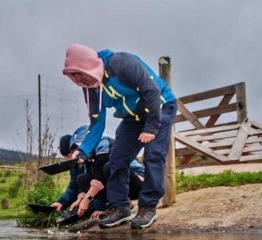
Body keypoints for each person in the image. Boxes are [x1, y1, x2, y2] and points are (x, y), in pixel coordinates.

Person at [62, 43, 177, 229]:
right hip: (132, 117)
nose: (77, 80)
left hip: (160, 107)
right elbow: (96, 122)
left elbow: (152, 91)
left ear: (88, 66)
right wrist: (83, 151)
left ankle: (148, 207)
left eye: (78, 74)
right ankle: (121, 207)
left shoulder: (122, 64)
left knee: (153, 155)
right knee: (116, 158)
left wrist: (151, 127)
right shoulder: (90, 87)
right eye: (72, 77)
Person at [50, 125, 109, 219]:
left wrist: (87, 200)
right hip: (91, 194)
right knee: (76, 210)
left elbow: (98, 181)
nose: (69, 158)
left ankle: (108, 206)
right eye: (65, 156)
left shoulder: (91, 158)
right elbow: (73, 187)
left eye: (70, 154)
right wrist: (61, 202)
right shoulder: (74, 165)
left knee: (86, 209)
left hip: (100, 193)